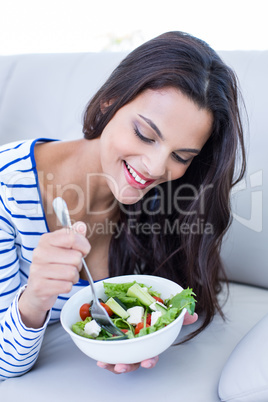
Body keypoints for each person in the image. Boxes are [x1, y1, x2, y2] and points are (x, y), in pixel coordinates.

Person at [0, 31, 246, 379]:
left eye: (181, 155)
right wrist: (35, 300)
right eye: (145, 135)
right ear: (109, 101)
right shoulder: (6, 190)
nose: (156, 168)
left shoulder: (163, 197)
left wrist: (140, 334)